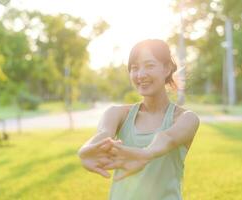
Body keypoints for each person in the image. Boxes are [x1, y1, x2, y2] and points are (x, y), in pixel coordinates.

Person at [77, 39, 200, 200]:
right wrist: (84, 150)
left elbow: (167, 138)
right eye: (134, 68)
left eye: (149, 65)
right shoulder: (116, 114)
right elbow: (102, 134)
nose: (141, 74)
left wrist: (145, 154)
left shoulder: (186, 118)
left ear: (167, 68)